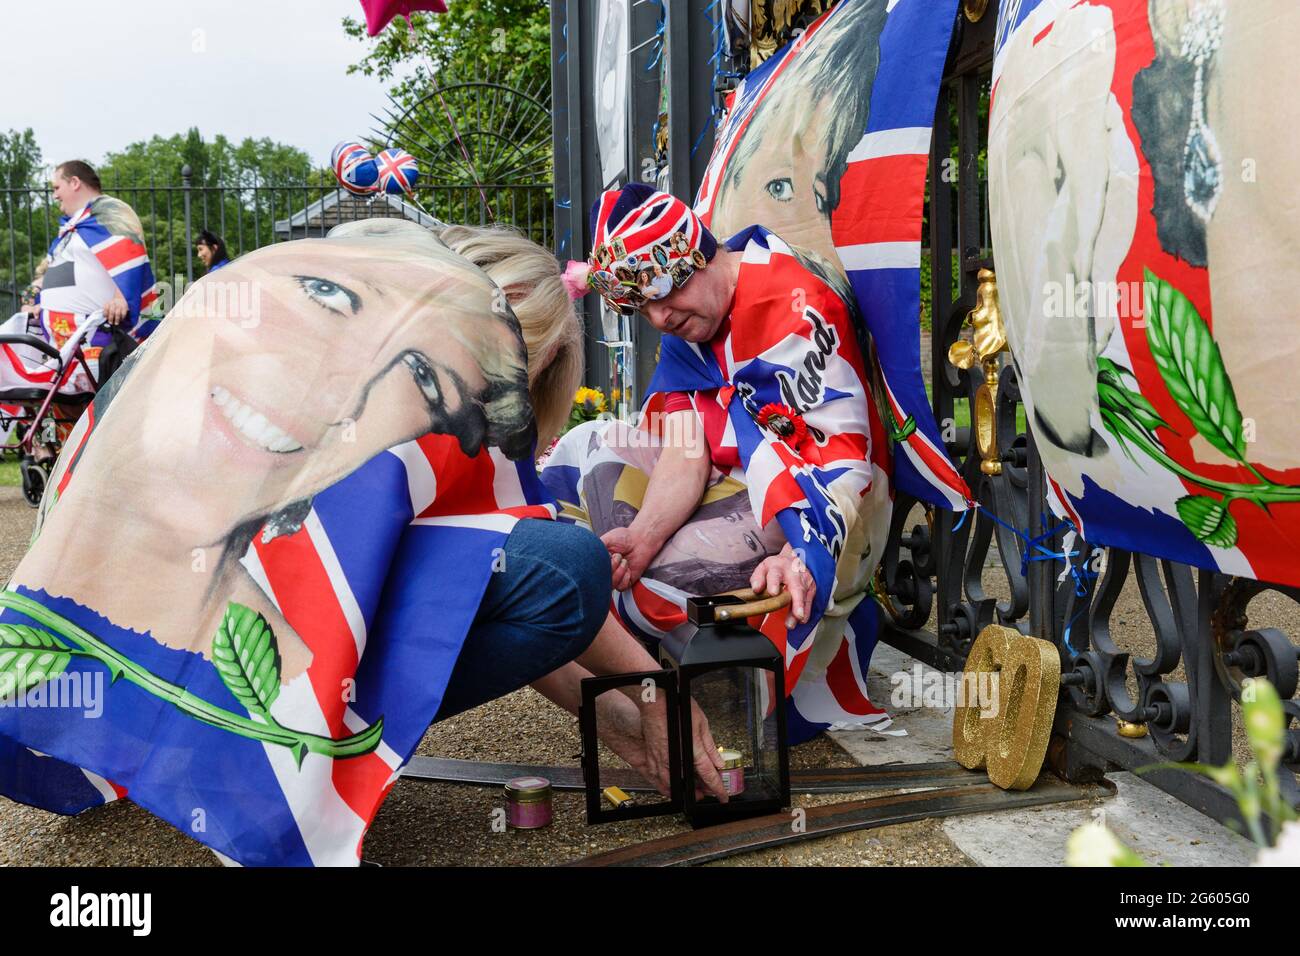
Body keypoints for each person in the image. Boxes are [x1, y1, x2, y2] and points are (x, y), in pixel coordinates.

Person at [0, 218, 646, 866]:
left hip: (106, 657)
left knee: (516, 564)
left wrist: (629, 709)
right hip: (197, 635)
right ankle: (265, 751)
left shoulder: (321, 291)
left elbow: (483, 575)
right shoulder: (389, 389)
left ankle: (226, 741)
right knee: (565, 564)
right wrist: (651, 690)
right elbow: (531, 576)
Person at [542, 183, 895, 751]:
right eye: (640, 306)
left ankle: (735, 655)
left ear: (697, 256)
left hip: (815, 498)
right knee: (585, 446)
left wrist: (800, 553)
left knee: (665, 581)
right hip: (733, 481)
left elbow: (844, 454)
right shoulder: (695, 321)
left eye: (665, 292)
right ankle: (634, 618)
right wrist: (642, 533)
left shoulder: (792, 303)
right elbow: (687, 444)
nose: (658, 318)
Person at [0, 160, 156, 398]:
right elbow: (51, 272)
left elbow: (129, 253)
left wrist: (120, 296)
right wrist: (34, 300)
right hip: (61, 347)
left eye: (56, 187)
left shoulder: (110, 213)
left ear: (74, 182)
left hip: (94, 342)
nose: (54, 196)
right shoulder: (71, 230)